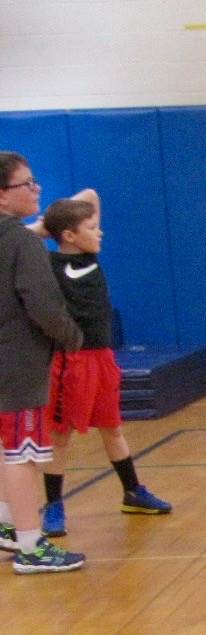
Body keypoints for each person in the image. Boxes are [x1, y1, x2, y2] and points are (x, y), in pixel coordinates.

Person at [37, 193, 171, 537]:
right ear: (68, 235)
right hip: (70, 361)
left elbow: (90, 195)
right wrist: (43, 229)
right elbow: (12, 235)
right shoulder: (48, 264)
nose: (100, 232)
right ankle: (53, 504)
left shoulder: (92, 256)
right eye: (92, 227)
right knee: (60, 435)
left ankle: (132, 492)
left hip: (102, 358)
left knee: (112, 428)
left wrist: (52, 224)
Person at [0, 150, 85, 574]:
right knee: (23, 455)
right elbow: (44, 305)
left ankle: (5, 525)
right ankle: (32, 546)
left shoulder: (15, 238)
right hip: (17, 365)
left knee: (5, 450)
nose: (36, 189)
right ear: (2, 195)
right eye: (27, 183)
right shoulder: (20, 243)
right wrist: (72, 336)